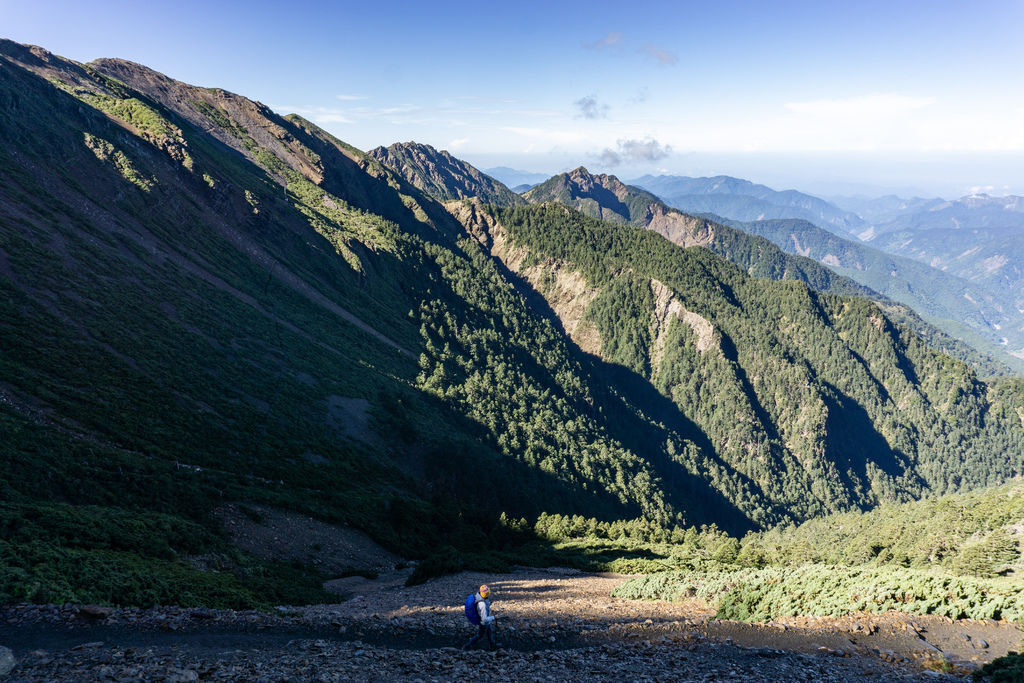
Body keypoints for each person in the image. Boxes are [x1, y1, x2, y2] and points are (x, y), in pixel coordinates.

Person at [462, 584, 497, 650]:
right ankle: (467, 646)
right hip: (484, 623)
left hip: (487, 622)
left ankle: (492, 645)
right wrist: (493, 617)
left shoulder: (478, 597)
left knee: (490, 632)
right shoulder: (482, 604)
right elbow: (484, 619)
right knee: (480, 636)